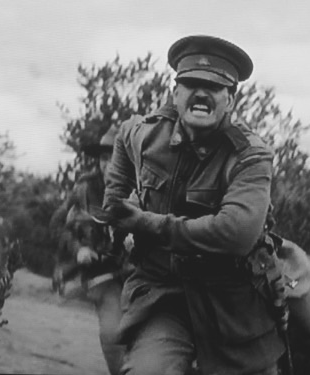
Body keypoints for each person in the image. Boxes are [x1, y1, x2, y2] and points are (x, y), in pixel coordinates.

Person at [103, 35, 287, 375]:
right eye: (191, 83)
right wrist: (115, 205)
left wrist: (142, 223)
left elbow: (236, 234)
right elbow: (121, 139)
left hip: (233, 304)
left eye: (214, 86)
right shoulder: (147, 134)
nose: (201, 93)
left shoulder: (250, 154)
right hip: (163, 294)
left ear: (230, 100)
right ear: (175, 94)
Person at [49, 124, 130, 375]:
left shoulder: (141, 187)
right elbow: (55, 226)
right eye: (104, 159)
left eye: (115, 159)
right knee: (111, 332)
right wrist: (77, 250)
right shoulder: (84, 188)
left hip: (137, 272)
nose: (108, 165)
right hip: (102, 275)